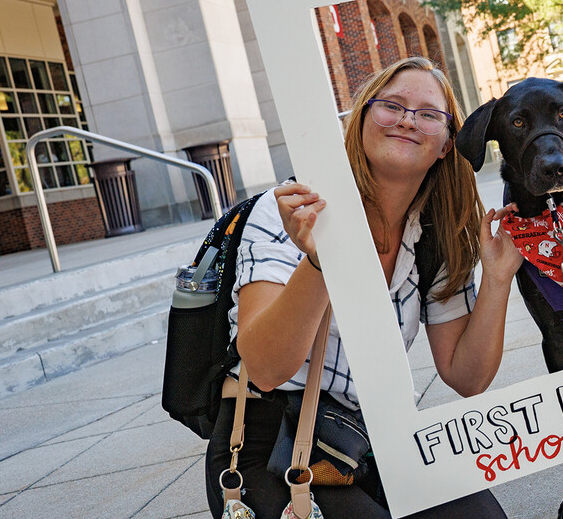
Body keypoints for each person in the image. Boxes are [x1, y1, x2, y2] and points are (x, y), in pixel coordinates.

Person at [204, 57, 522, 518]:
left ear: (447, 145)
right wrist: (321, 259)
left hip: (365, 436)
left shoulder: (433, 233)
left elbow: (466, 377)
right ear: (361, 121)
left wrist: (496, 279)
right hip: (266, 439)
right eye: (392, 105)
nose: (408, 120)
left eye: (429, 113)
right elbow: (267, 367)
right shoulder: (292, 208)